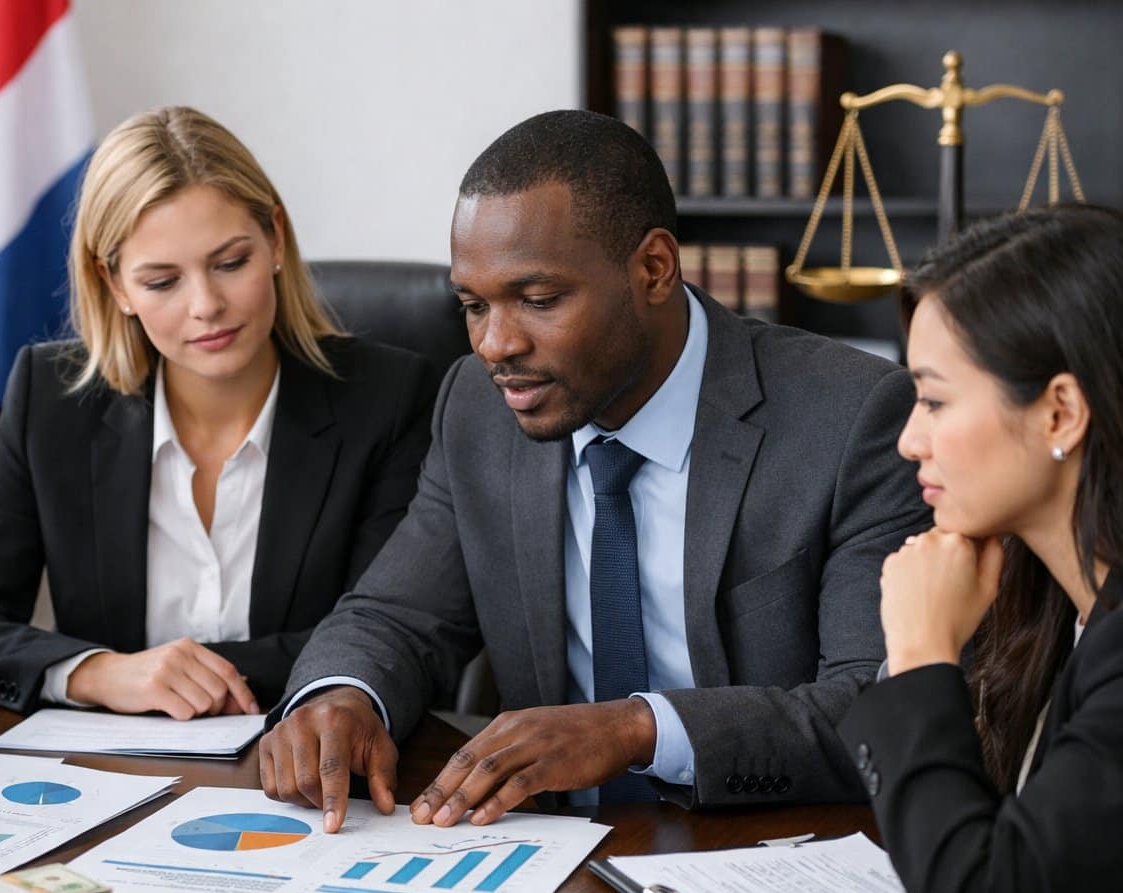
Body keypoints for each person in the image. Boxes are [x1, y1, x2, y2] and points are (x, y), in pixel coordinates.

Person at [259, 109, 928, 832]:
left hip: (763, 850)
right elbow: (398, 614)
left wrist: (636, 730)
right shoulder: (477, 410)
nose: (494, 344)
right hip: (546, 857)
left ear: (653, 269)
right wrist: (340, 695)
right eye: (472, 305)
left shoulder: (852, 416)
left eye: (539, 300)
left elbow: (873, 706)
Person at [0, 106, 437, 720]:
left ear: (275, 238)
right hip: (112, 781)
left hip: (307, 768)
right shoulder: (51, 399)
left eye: (230, 263)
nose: (206, 306)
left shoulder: (389, 397)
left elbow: (397, 635)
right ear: (115, 286)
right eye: (163, 281)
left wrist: (177, 676)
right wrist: (99, 672)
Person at [838, 205, 1123, 893]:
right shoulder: (1041, 595)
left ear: (1060, 413)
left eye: (932, 401)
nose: (906, 443)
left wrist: (924, 649)